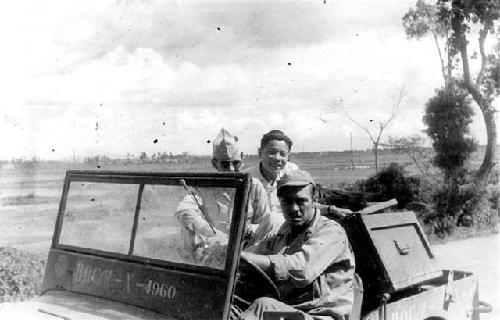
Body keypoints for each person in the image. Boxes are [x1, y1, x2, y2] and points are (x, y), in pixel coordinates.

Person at [239, 170, 355, 320]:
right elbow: (255, 255)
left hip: (318, 315)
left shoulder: (331, 232)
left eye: (301, 201)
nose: (294, 209)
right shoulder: (284, 232)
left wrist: (241, 256)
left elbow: (301, 269)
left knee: (263, 307)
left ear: (314, 199)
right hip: (289, 310)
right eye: (287, 201)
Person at [175, 128, 282, 267]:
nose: (231, 169)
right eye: (225, 164)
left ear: (242, 161)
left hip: (244, 252)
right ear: (215, 164)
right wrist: (213, 234)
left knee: (276, 219)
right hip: (212, 251)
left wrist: (248, 229)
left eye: (236, 163)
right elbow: (183, 211)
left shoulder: (254, 186)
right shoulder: (203, 187)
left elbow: (265, 222)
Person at [246, 129, 352, 222]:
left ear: (288, 157)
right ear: (260, 153)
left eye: (283, 154)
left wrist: (330, 209)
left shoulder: (291, 172)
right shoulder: (247, 179)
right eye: (272, 152)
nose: (277, 158)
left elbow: (304, 204)